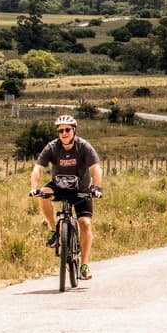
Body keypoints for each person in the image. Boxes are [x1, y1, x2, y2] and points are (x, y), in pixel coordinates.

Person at [29, 113, 103, 280]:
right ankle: (54, 230)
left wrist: (97, 188)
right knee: (43, 194)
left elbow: (96, 168)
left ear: (74, 130)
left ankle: (84, 265)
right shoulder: (52, 147)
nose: (64, 133)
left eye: (67, 130)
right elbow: (38, 169)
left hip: (81, 190)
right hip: (59, 187)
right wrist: (34, 188)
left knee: (85, 223)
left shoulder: (83, 146)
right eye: (60, 130)